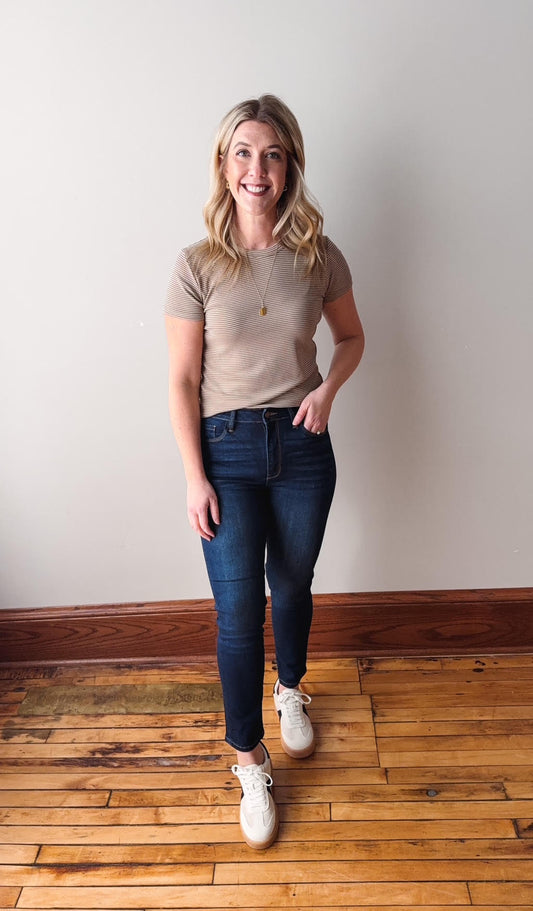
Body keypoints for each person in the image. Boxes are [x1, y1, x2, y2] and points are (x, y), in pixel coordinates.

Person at [164, 94, 364, 850]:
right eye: (243, 153)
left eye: (272, 154)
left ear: (289, 167)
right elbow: (183, 381)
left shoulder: (318, 253)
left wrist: (327, 388)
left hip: (304, 448)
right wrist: (194, 475)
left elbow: (350, 338)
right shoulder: (196, 264)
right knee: (238, 609)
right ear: (224, 165)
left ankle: (290, 690)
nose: (257, 169)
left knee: (294, 585)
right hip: (226, 452)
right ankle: (247, 755)